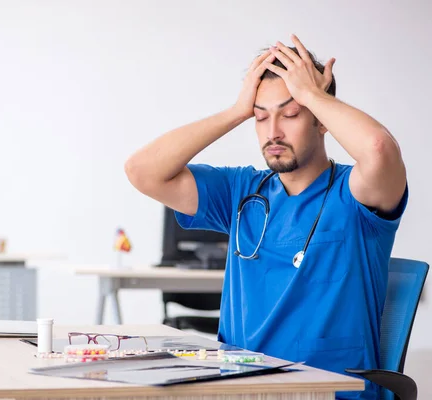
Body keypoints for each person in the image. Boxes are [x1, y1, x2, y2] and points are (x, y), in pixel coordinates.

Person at [124, 34, 407, 400]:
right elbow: (141, 170)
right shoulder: (242, 191)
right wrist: (236, 111)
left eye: (291, 113)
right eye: (261, 117)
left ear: (322, 120)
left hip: (328, 392)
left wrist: (314, 96)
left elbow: (379, 148)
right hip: (242, 388)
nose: (273, 132)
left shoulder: (356, 194)